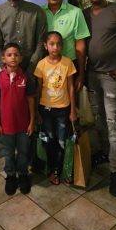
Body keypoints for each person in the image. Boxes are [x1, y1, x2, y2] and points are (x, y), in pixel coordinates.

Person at [82, 0, 116, 197]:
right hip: (92, 75)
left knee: (113, 122)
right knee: (98, 118)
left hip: (112, 76)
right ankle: (103, 152)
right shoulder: (83, 14)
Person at [0, 43, 35, 195]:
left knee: (23, 152)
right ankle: (10, 175)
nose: (13, 57)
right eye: (9, 55)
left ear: (21, 58)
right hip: (6, 126)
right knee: (8, 152)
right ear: (3, 58)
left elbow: (30, 100)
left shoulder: (26, 77)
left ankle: (23, 174)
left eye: (16, 54)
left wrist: (32, 121)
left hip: (23, 125)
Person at [34, 31, 77, 185]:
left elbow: (71, 87)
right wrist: (36, 112)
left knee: (62, 141)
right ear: (46, 46)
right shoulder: (41, 65)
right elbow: (38, 89)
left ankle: (62, 170)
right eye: (52, 44)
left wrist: (73, 110)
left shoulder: (67, 63)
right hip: (45, 110)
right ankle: (52, 170)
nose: (55, 47)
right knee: (50, 141)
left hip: (63, 110)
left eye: (58, 44)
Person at [42, 0, 90, 92]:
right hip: (46, 67)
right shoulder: (39, 12)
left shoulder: (75, 12)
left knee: (70, 104)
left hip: (69, 67)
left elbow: (80, 45)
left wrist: (81, 74)